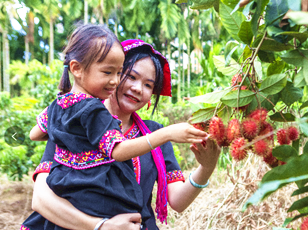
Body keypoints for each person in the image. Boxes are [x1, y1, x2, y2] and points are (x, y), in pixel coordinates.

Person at [22, 25, 209, 230]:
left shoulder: (153, 131)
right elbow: (40, 200)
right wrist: (101, 226)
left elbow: (178, 202)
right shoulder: (76, 123)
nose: (138, 88)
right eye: (131, 76)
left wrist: (207, 167)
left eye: (148, 85)